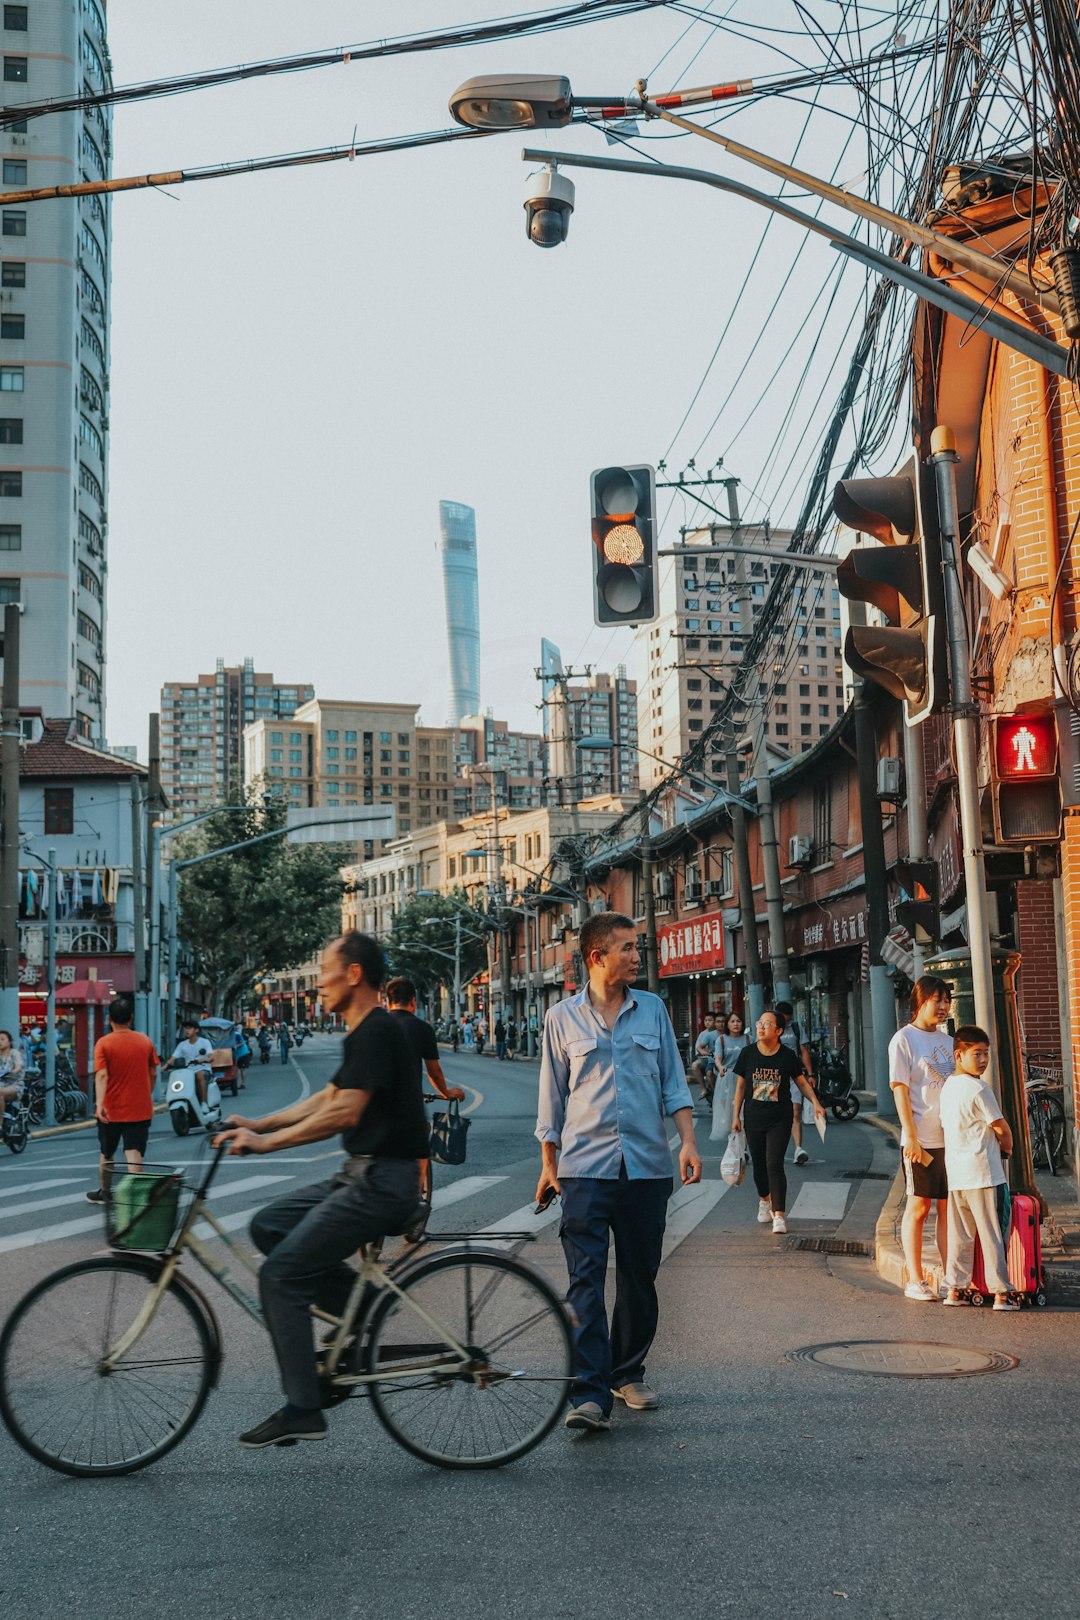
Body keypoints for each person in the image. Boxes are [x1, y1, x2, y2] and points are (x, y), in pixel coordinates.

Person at [215, 932, 428, 1449]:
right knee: (269, 1225)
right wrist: (259, 1124)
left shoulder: (377, 1031)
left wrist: (265, 1147)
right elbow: (327, 1097)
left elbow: (343, 1113)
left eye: (326, 971)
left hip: (382, 1181)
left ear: (354, 974)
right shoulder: (365, 1032)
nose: (319, 982)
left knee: (281, 1276)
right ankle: (365, 1308)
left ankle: (302, 1406)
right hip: (361, 1173)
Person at [537, 910, 702, 1434]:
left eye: (637, 947)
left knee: (639, 1277)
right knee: (583, 1283)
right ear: (597, 957)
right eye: (628, 948)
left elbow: (674, 1082)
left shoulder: (652, 1010)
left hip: (647, 1168)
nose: (637, 956)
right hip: (584, 1169)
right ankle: (588, 1394)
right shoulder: (561, 1018)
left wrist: (689, 1143)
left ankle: (625, 1372)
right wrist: (548, 1164)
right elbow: (552, 1100)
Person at [939, 1025, 1018, 1312]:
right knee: (993, 1234)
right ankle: (1001, 1294)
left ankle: (955, 1289)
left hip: (957, 1176)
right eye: (977, 1054)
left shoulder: (947, 1088)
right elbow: (1001, 1127)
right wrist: (1007, 1148)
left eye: (986, 1054)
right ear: (959, 1055)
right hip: (985, 1174)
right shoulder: (979, 1089)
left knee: (960, 1237)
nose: (983, 1060)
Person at [889, 975, 954, 1302]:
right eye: (936, 1000)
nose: (942, 1006)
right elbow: (900, 1090)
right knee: (919, 1207)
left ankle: (949, 1277)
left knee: (948, 1209)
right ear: (920, 1001)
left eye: (946, 1000)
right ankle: (915, 1279)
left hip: (951, 1141)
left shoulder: (949, 1041)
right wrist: (911, 1137)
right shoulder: (904, 1040)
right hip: (921, 1140)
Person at [731, 1010, 825, 1235]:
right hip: (754, 1118)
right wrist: (736, 1116)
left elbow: (801, 1083)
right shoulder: (748, 1054)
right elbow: (741, 1087)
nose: (761, 1027)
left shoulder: (787, 1056)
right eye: (759, 1022)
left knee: (774, 1163)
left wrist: (815, 1102)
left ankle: (779, 1214)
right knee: (760, 1167)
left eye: (767, 1023)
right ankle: (764, 1200)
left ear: (779, 1031)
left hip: (779, 1119)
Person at [86, 997, 159, 1205]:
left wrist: (100, 1104)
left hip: (111, 1109)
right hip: (139, 1107)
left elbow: (101, 1076)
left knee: (107, 1151)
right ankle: (136, 1194)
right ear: (131, 1018)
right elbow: (153, 1072)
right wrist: (147, 1092)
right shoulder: (145, 1041)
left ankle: (106, 1193)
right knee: (134, 1151)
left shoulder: (104, 1043)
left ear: (109, 1019)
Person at [384, 977, 465, 1106]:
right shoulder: (423, 1028)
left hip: (377, 1106)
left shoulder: (374, 1025)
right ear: (413, 1002)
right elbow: (434, 1072)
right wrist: (446, 1092)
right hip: (408, 1104)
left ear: (388, 1003)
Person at [775, 1001, 817, 1166]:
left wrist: (810, 1074)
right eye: (783, 1019)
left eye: (788, 1019)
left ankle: (798, 1149)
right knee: (771, 1113)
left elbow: (804, 1051)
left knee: (795, 1111)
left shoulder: (796, 1028)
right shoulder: (768, 1027)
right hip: (771, 1077)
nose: (786, 1022)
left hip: (793, 1075)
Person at [163, 1019, 214, 1106]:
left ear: (196, 1030)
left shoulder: (205, 1042)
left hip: (203, 1069)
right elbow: (173, 1057)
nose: (187, 1030)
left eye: (189, 1028)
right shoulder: (182, 1044)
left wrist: (203, 1059)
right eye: (186, 1028)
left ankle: (204, 1103)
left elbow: (211, 1056)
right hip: (188, 1071)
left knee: (200, 1075)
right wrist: (164, 1067)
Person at [689, 1011, 719, 1107]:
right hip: (707, 1059)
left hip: (721, 1059)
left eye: (710, 1020)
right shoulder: (703, 1034)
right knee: (695, 1065)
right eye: (706, 1020)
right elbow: (698, 1049)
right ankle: (704, 1089)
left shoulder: (721, 1033)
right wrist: (705, 1052)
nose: (707, 1022)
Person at [0, 1028, 25, 1128]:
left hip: (15, 1086)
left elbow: (18, 1066)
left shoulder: (14, 1053)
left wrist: (13, 1071)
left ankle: (0, 1123)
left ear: (9, 1042)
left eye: (2, 1039)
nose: (0, 1042)